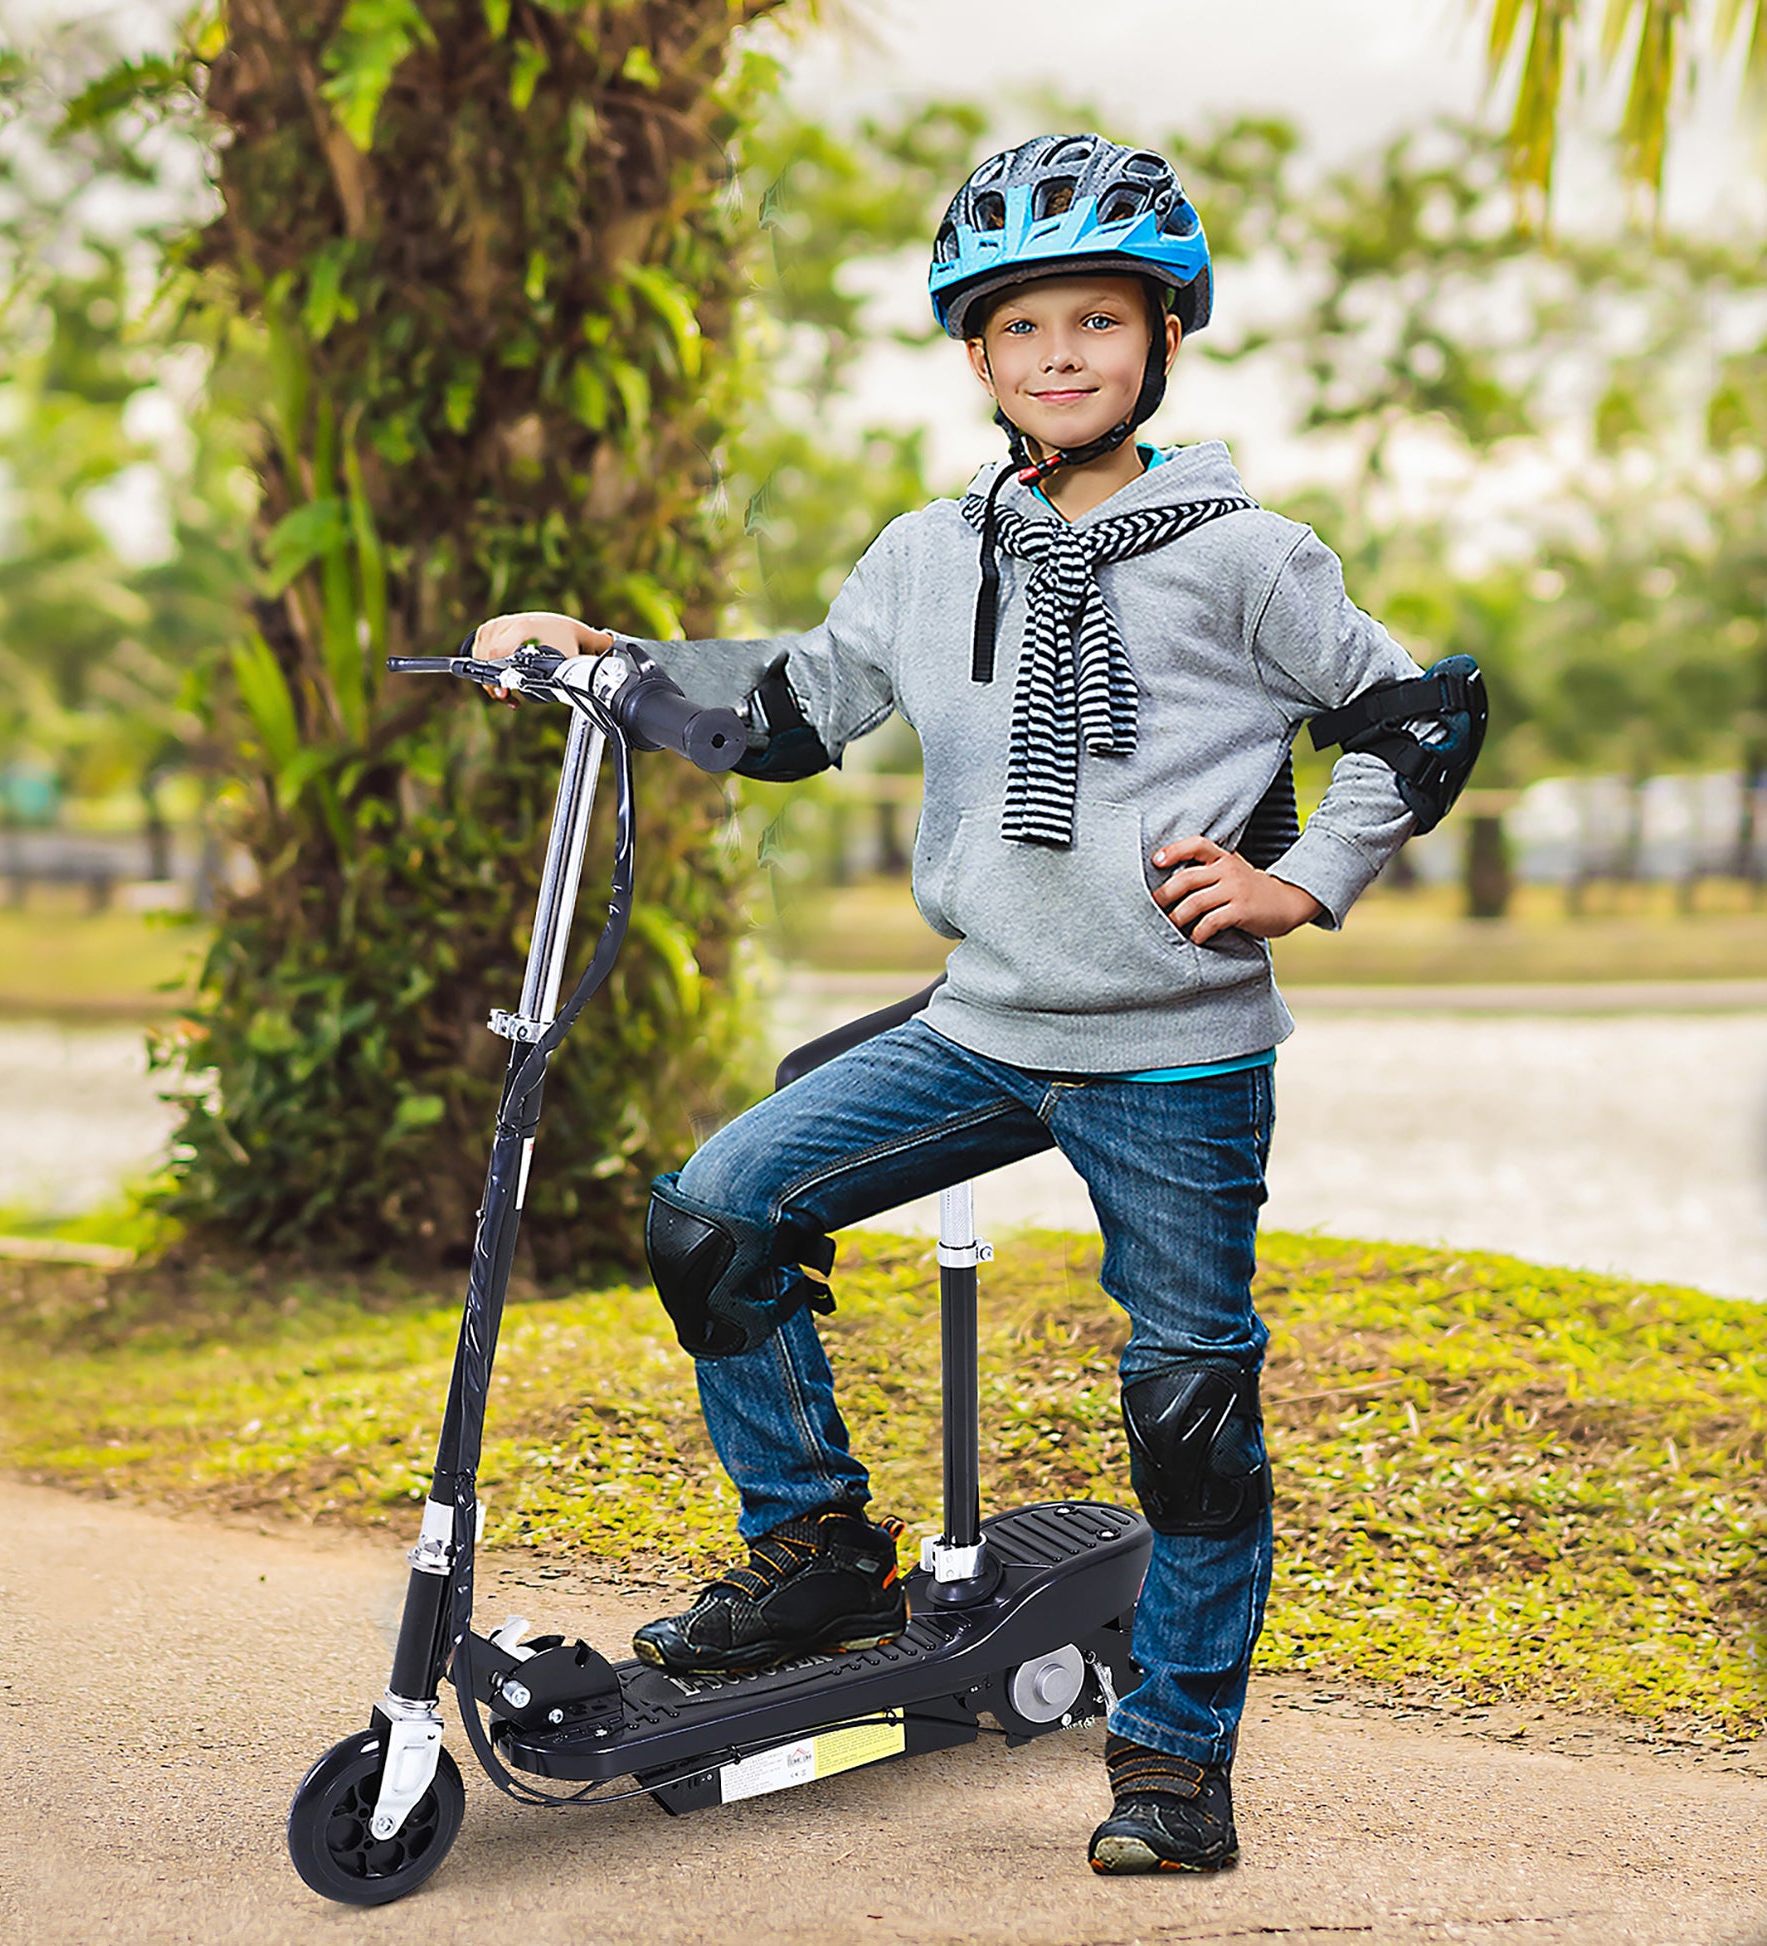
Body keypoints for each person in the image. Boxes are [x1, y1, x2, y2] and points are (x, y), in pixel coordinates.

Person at [470, 135, 1471, 1875]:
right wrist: (610, 664)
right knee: (718, 1214)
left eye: (1098, 321)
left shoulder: (1250, 554)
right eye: (1021, 327)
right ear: (974, 354)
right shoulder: (928, 555)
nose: (1059, 354)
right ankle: (814, 1555)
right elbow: (794, 708)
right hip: (980, 1024)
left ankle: (1172, 1761)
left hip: (1175, 1055)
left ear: (1164, 340)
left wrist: (1304, 879)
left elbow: (1416, 710)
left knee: (1188, 1412)